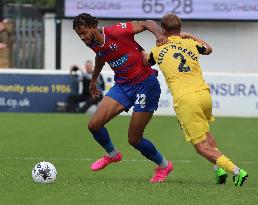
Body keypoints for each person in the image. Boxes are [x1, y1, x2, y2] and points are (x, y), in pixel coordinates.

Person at [143, 13, 248, 186]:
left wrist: (141, 49)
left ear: (162, 30)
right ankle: (218, 169)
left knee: (201, 147)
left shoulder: (157, 50)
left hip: (186, 100)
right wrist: (189, 35)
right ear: (180, 28)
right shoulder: (191, 44)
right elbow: (208, 48)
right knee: (206, 133)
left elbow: (146, 62)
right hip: (204, 95)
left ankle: (237, 171)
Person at [73, 13, 173, 183]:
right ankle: (113, 154)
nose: (82, 38)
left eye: (83, 32)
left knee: (134, 139)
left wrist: (160, 36)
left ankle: (164, 165)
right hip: (122, 86)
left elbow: (148, 22)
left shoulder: (116, 31)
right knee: (94, 124)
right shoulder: (93, 42)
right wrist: (94, 80)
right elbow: (101, 56)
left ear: (92, 27)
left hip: (145, 84)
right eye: (79, 35)